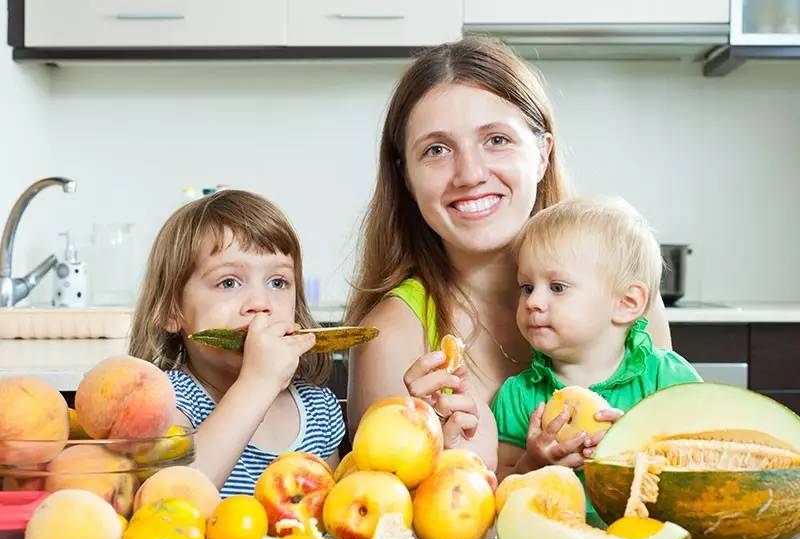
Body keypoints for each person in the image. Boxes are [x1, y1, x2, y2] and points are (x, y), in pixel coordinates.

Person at [345, 37, 672, 471]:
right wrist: (432, 456)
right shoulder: (391, 338)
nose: (470, 174)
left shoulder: (622, 295)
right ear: (406, 177)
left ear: (542, 155)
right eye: (436, 150)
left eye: (496, 139)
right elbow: (392, 517)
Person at [129, 190, 345, 495]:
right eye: (228, 282)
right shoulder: (167, 402)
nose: (260, 303)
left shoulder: (318, 410)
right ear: (170, 310)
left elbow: (331, 523)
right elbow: (171, 500)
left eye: (278, 282)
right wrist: (258, 383)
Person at [494, 197, 702, 481]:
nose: (534, 302)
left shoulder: (666, 378)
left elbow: (705, 462)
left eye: (557, 287)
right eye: (527, 287)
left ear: (626, 303)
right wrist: (532, 464)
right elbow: (502, 483)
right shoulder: (517, 395)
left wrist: (636, 447)